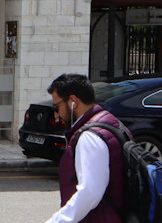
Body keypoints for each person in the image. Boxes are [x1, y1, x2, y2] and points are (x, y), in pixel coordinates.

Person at [44, 73, 125, 223]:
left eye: (57, 107)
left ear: (73, 101)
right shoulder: (110, 121)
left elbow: (90, 191)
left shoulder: (90, 137)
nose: (56, 115)